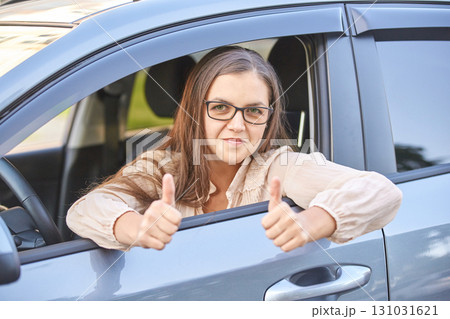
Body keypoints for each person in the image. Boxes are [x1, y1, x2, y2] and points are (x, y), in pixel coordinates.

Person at [66, 46, 402, 252]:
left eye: (254, 111)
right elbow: (85, 209)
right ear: (195, 110)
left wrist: (315, 220)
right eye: (221, 108)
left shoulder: (278, 167)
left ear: (269, 117)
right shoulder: (162, 167)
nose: (238, 125)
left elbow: (381, 191)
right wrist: (135, 229)